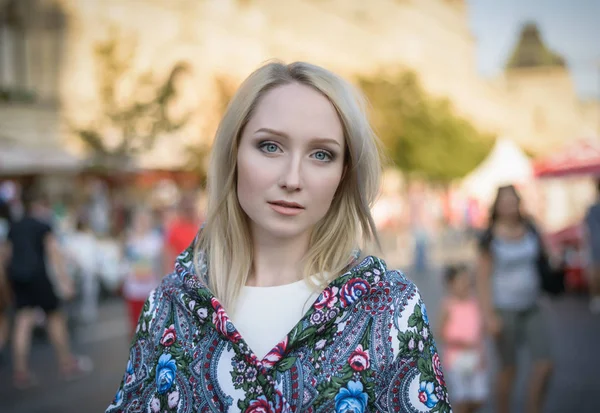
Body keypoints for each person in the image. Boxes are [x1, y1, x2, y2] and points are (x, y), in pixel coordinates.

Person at [106, 61, 450, 413]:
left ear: (344, 174)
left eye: (321, 154)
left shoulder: (392, 308)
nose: (292, 178)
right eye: (270, 146)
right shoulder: (168, 305)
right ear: (234, 152)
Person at [2, 189, 92, 389]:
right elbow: (54, 254)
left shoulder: (14, 226)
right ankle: (67, 364)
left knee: (23, 322)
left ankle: (20, 372)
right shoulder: (42, 225)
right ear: (38, 205)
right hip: (39, 278)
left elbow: (5, 255)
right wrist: (65, 281)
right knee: (55, 319)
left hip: (19, 279)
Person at [477, 185, 553, 413]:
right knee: (508, 369)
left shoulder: (530, 227)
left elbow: (544, 257)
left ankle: (533, 408)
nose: (510, 205)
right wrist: (489, 316)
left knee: (545, 363)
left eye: (513, 201)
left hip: (532, 306)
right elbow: (482, 279)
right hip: (504, 310)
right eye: (505, 201)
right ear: (497, 206)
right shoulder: (490, 236)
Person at [438, 265, 486, 413]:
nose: (466, 284)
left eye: (467, 281)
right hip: (456, 358)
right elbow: (440, 333)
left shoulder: (474, 303)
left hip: (475, 357)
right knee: (461, 398)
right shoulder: (448, 305)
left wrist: (482, 353)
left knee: (479, 398)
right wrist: (459, 342)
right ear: (451, 284)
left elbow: (479, 333)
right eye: (461, 281)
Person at [122, 208, 164, 334]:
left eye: (145, 219)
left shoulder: (157, 241)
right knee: (136, 327)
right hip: (134, 291)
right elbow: (124, 263)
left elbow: (161, 263)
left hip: (152, 290)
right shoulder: (129, 240)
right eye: (139, 220)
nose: (142, 222)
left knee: (154, 326)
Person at [163, 193, 201, 274]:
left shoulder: (199, 226)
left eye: (191, 208)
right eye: (187, 209)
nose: (190, 212)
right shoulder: (175, 229)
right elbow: (168, 255)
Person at [584, 179, 600, 314]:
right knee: (595, 271)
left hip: (595, 244)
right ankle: (596, 297)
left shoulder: (592, 209)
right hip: (596, 245)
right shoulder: (593, 209)